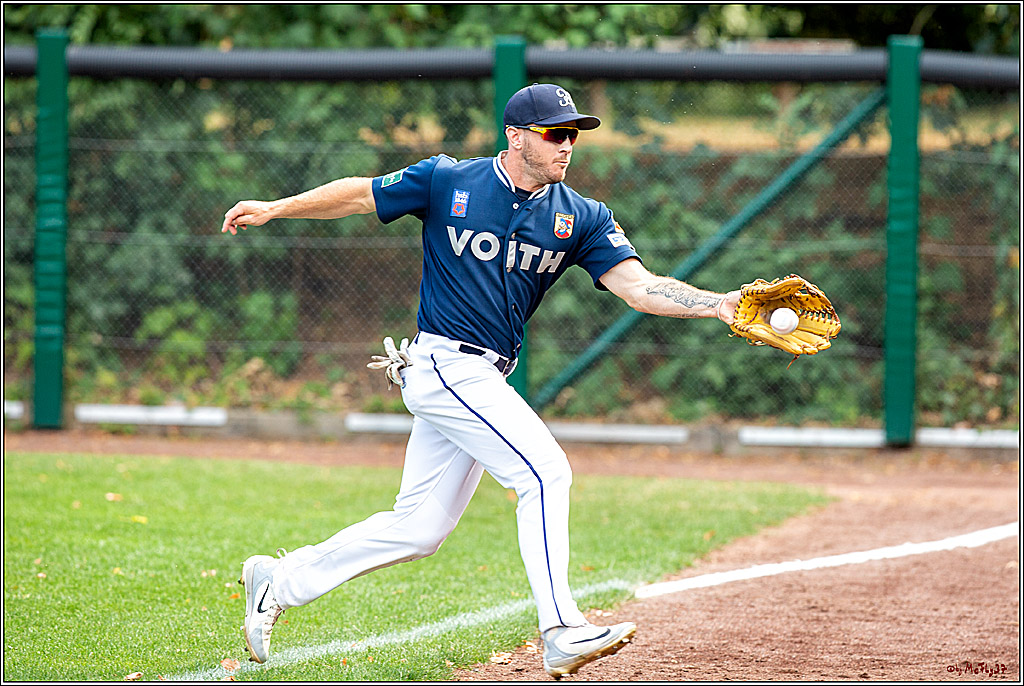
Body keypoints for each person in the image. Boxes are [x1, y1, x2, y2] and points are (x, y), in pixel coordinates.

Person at [221, 83, 740, 678]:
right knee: (544, 472)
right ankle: (561, 629)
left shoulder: (582, 216)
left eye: (573, 134)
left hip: (484, 374)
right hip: (444, 363)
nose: (567, 145)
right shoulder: (448, 180)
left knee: (419, 529)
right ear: (515, 136)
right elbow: (359, 195)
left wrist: (718, 304)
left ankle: (280, 580)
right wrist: (277, 208)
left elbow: (639, 287)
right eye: (555, 133)